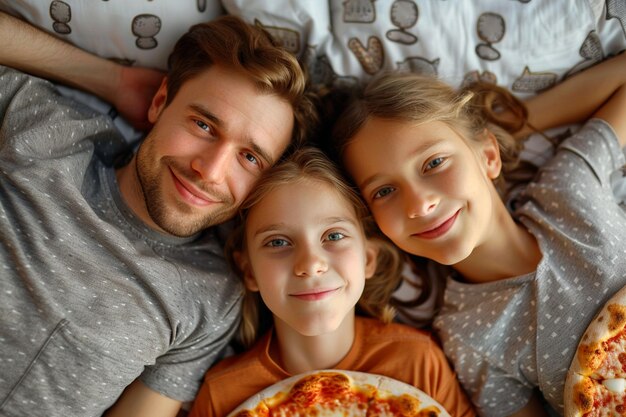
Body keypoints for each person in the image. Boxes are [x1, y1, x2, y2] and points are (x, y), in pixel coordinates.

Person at [0, 13, 318, 417]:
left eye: (250, 157)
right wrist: (112, 80)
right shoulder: (51, 136)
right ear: (159, 102)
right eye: (203, 125)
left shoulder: (213, 294)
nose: (211, 170)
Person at [329, 52, 626, 417]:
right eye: (384, 191)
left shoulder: (567, 193)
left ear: (488, 155)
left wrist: (512, 123)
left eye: (434, 162)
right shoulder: (467, 335)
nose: (419, 204)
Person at [187, 147, 476, 417]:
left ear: (368, 259)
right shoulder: (222, 393)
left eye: (334, 236)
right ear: (248, 271)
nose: (311, 264)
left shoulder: (419, 362)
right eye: (278, 242)